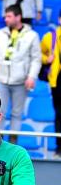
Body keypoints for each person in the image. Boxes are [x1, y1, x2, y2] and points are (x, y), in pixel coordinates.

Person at [0, 4, 41, 138]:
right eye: (5, 17)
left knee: (17, 114)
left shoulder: (32, 35)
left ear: (18, 17)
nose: (6, 19)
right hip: (1, 80)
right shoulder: (0, 34)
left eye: (9, 16)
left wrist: (31, 76)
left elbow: (36, 59)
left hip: (21, 82)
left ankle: (13, 145)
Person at [40, 15, 61, 158]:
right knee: (59, 115)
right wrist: (46, 59)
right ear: (59, 19)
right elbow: (39, 53)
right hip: (58, 81)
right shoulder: (50, 37)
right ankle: (59, 148)